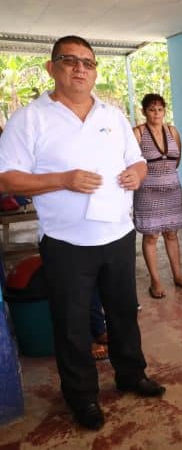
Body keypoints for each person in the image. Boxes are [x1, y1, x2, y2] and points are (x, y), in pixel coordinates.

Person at [0, 35, 165, 430]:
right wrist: (63, 180)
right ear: (51, 68)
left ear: (94, 71)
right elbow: (7, 178)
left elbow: (138, 161)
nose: (79, 68)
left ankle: (131, 374)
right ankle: (82, 397)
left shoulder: (112, 115)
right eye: (69, 60)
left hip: (118, 233)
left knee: (124, 311)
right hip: (67, 242)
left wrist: (137, 174)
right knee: (73, 323)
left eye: (87, 62)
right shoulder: (31, 118)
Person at [133, 93, 182, 299]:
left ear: (164, 111)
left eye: (160, 109)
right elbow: (132, 163)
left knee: (171, 233)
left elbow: (176, 160)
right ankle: (155, 280)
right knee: (151, 236)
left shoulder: (172, 132)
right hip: (148, 192)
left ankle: (177, 275)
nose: (156, 113)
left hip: (172, 191)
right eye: (151, 109)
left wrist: (165, 177)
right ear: (144, 112)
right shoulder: (138, 133)